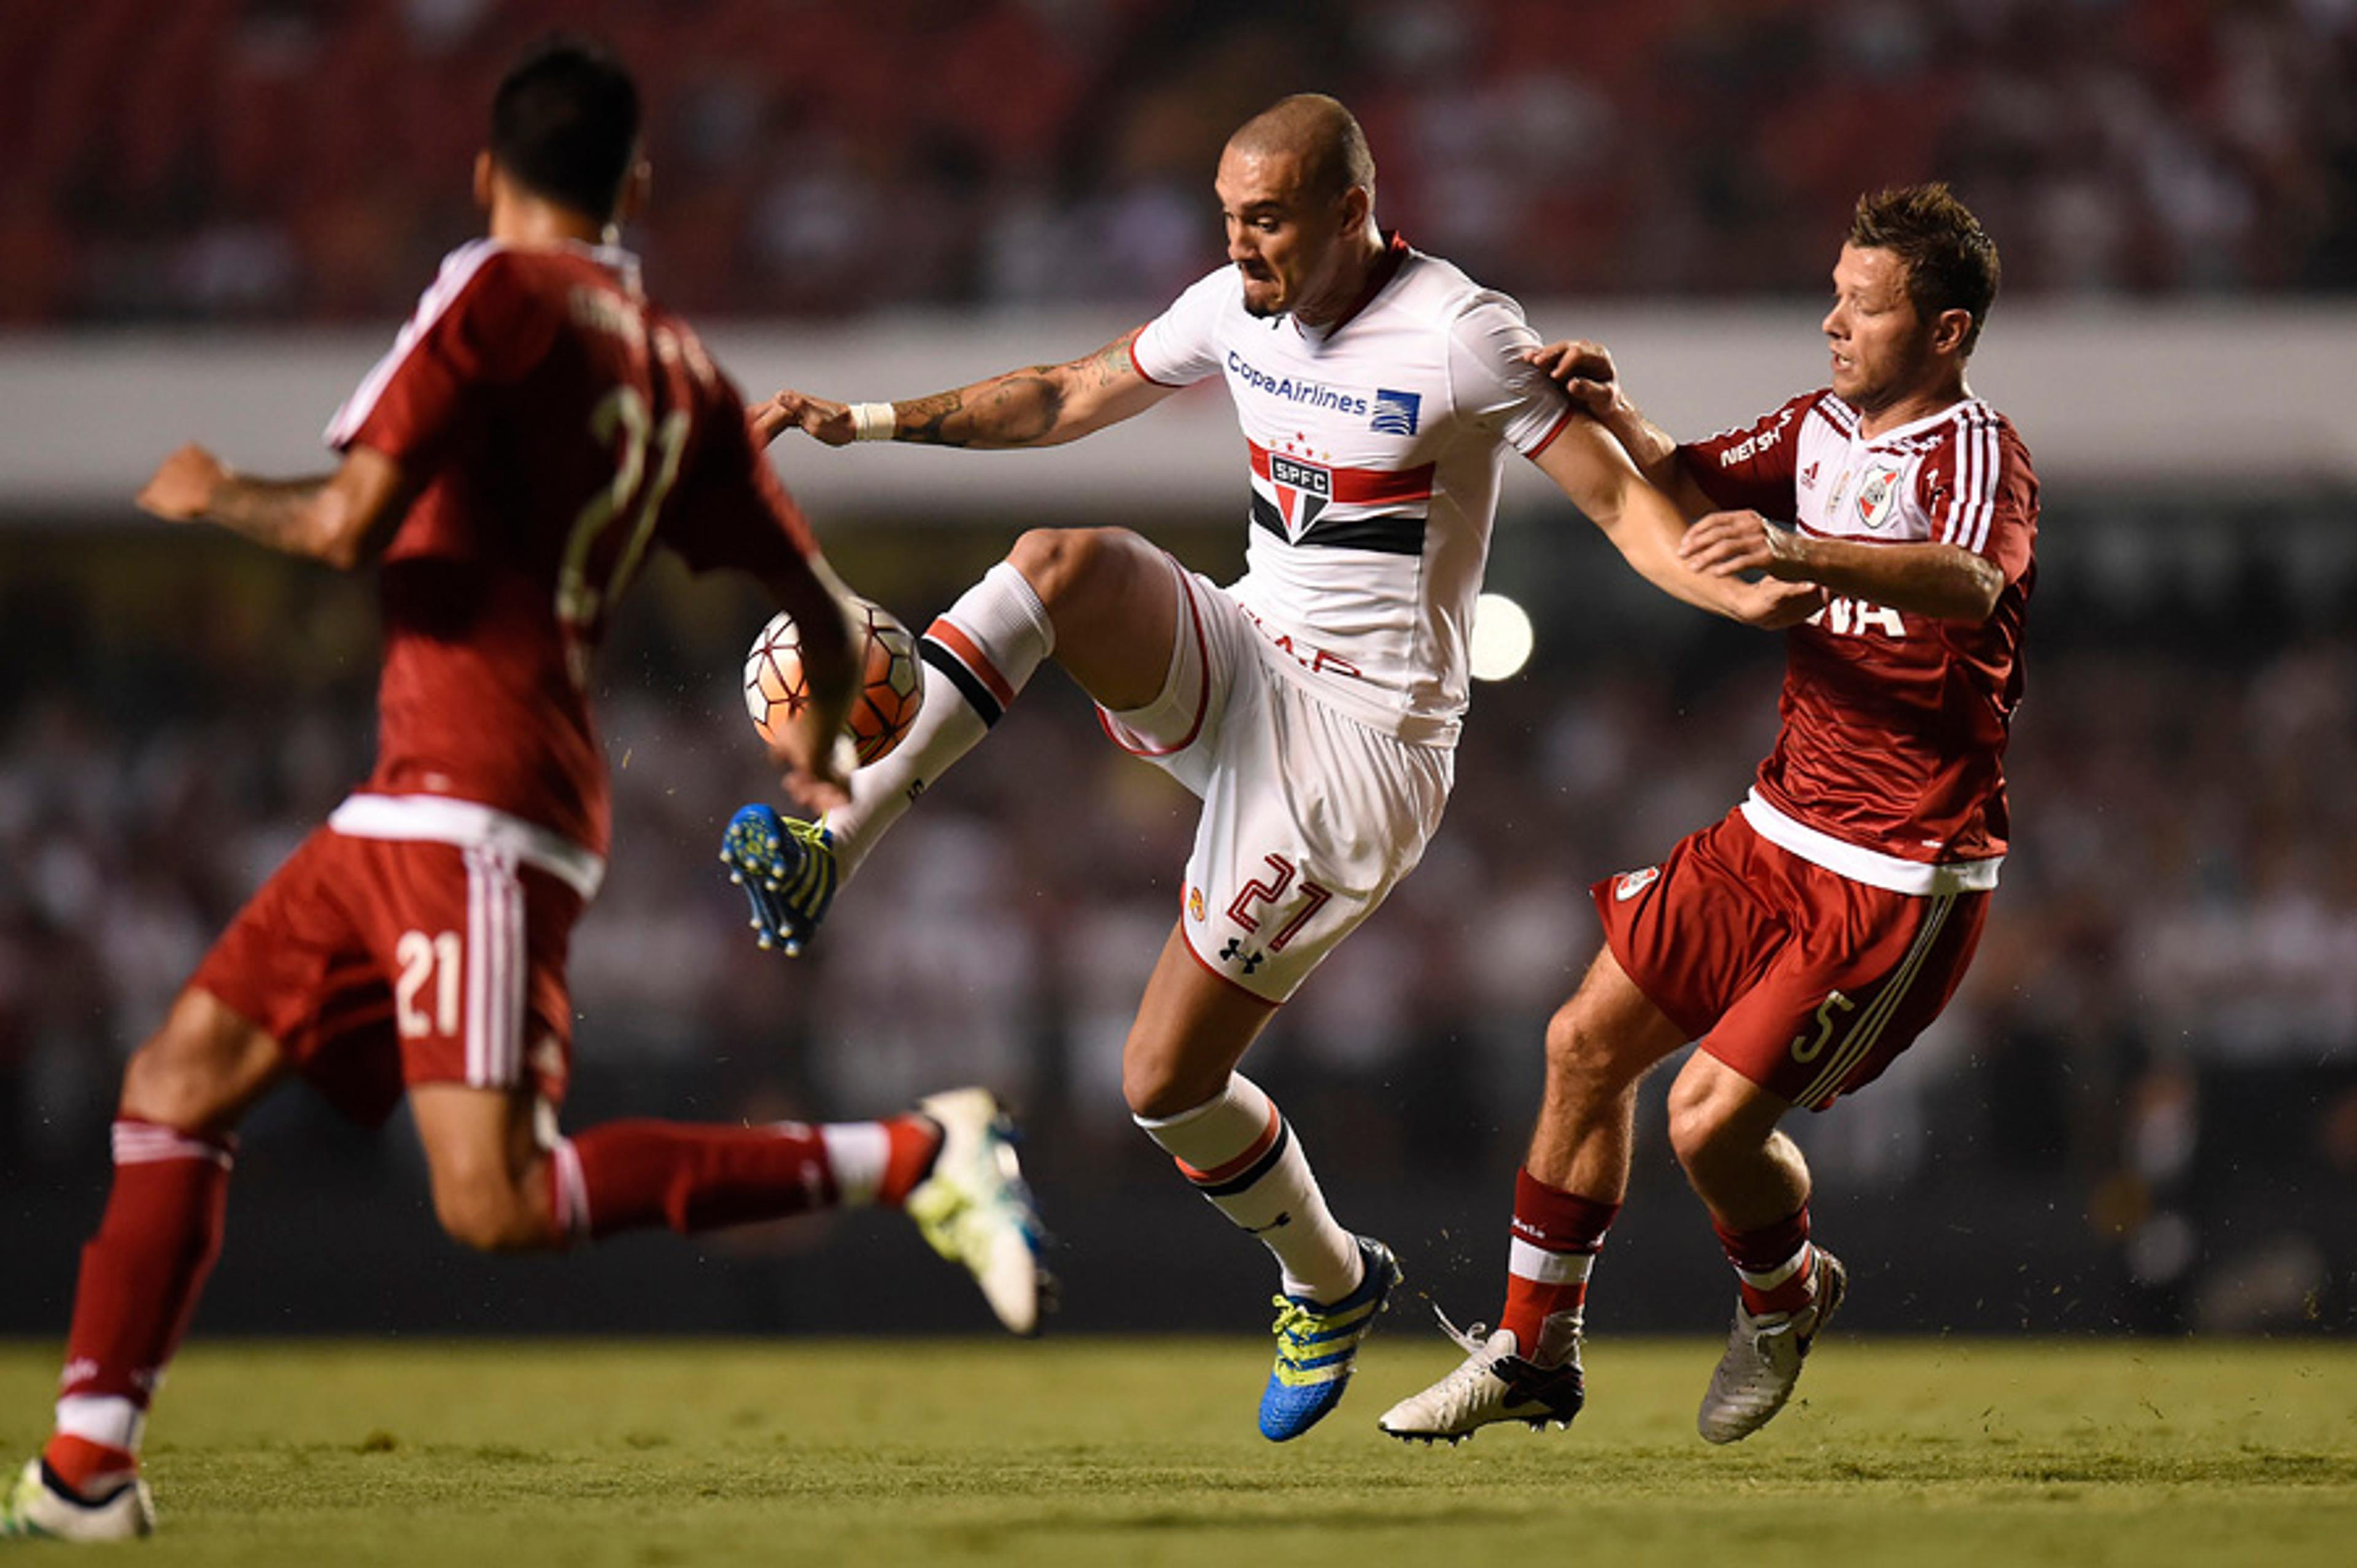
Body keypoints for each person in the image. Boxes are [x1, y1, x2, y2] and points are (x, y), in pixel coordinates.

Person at [0, 40, 1045, 1545]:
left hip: (480, 805)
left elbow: (355, 522)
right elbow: (816, 603)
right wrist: (818, 752)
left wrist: (211, 491)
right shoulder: (681, 368)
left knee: (491, 1201)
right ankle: (90, 1469)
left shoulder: (491, 292)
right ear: (635, 184)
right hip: (419, 799)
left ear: (489, 177)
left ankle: (916, 1157)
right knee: (175, 1083)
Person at [726, 93, 1814, 1442]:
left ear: (1351, 211)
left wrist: (1727, 592)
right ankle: (838, 835)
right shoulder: (1236, 306)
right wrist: (874, 420)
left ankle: (1330, 1279)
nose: (1243, 246)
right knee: (1058, 561)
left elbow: (1616, 507)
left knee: (1159, 1084)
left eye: (1271, 219)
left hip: (1363, 753)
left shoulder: (1462, 331)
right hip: (1248, 651)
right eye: (1231, 217)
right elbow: (1067, 392)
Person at [1377, 184, 2035, 1445]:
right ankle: (1532, 1352)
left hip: (1900, 869)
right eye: (1836, 294)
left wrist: (1809, 552)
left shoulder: (1980, 455)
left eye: (1867, 303)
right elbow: (1686, 485)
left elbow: (1964, 583)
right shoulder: (1821, 425)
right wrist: (1614, 410)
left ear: (1945, 334)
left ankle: (1785, 1298)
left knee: (1706, 1124)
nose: (1834, 322)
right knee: (1582, 1046)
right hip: (1775, 827)